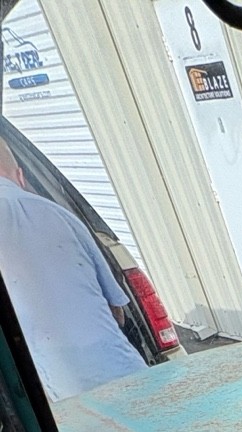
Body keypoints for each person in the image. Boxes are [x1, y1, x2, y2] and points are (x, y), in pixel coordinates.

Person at [0, 137, 146, 401]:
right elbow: (117, 312)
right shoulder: (63, 216)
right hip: (129, 376)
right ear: (20, 176)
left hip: (63, 399)